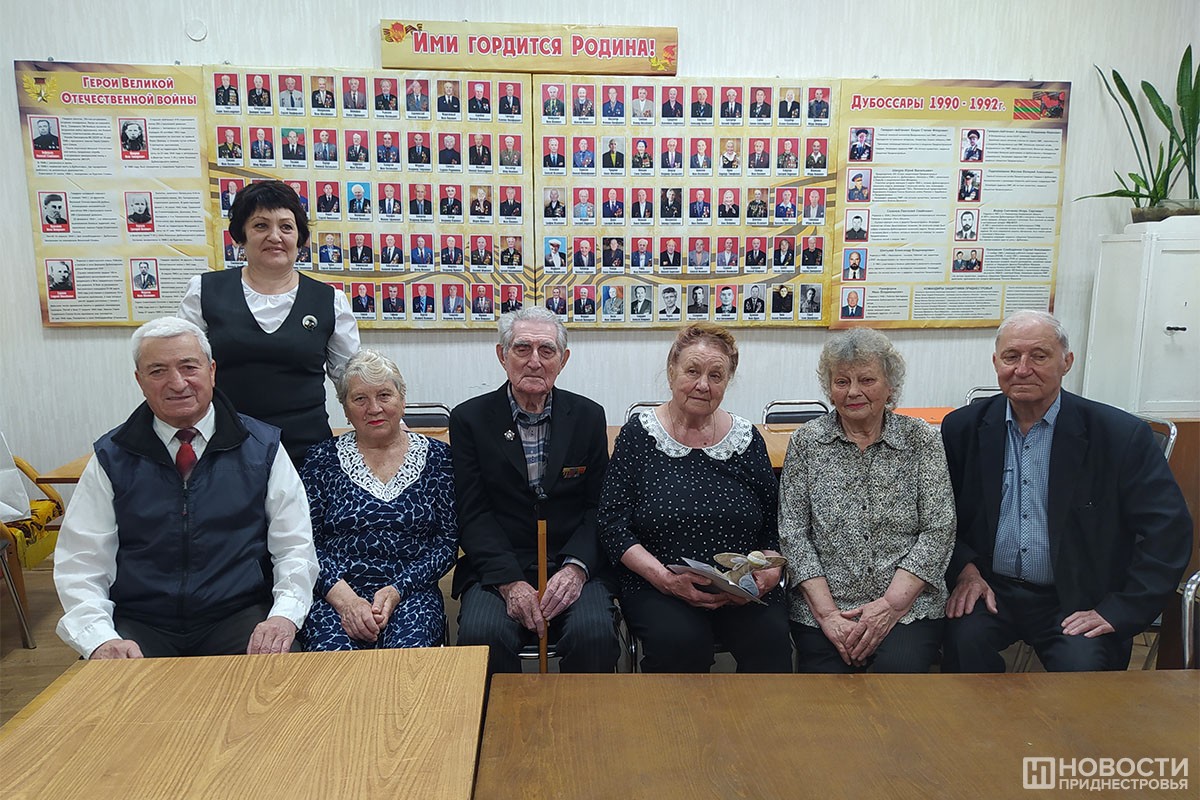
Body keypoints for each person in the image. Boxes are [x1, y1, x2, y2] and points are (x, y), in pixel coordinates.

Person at [941, 311, 1192, 672]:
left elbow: (1168, 530)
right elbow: (938, 516)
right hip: (990, 589)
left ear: (1066, 362)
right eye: (1011, 356)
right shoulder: (962, 428)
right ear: (996, 362)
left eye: (1039, 356)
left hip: (1078, 597)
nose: (1023, 369)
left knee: (1082, 673)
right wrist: (965, 568)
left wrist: (1120, 608)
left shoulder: (1119, 436)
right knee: (961, 647)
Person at [53, 317, 318, 659]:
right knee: (109, 690)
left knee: (280, 683)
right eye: (158, 371)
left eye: (189, 367)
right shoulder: (112, 456)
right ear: (139, 380)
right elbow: (82, 563)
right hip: (140, 622)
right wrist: (100, 638)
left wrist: (284, 616)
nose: (177, 383)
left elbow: (294, 547)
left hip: (238, 615)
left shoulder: (262, 448)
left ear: (212, 371)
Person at [599, 324, 791, 673]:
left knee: (772, 641)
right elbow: (613, 525)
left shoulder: (747, 439)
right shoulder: (638, 436)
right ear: (672, 371)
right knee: (681, 645)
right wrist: (664, 579)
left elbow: (774, 523)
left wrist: (768, 573)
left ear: (727, 381)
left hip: (741, 587)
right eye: (692, 371)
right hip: (658, 584)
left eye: (716, 375)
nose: (703, 384)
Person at [450, 308, 619, 674]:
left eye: (547, 350)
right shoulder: (469, 420)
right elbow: (472, 512)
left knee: (594, 634)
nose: (534, 361)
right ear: (502, 355)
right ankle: (503, 717)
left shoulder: (588, 416)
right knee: (482, 636)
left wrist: (575, 569)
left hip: (571, 562)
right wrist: (510, 583)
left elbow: (598, 508)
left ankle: (582, 715)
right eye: (522, 348)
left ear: (563, 360)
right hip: (499, 566)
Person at [780, 329, 954, 673]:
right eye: (842, 381)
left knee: (898, 677)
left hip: (908, 608)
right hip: (824, 611)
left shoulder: (921, 440)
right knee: (826, 691)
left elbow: (939, 529)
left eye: (867, 380)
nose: (853, 391)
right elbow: (793, 535)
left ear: (890, 387)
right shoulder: (806, 442)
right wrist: (829, 616)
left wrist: (889, 607)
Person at [177, 181, 360, 464]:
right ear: (240, 236)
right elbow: (183, 371)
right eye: (261, 225)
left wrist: (390, 427)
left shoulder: (330, 300)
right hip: (225, 450)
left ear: (300, 239)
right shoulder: (203, 291)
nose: (275, 236)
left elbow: (351, 379)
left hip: (308, 454)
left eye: (286, 227)